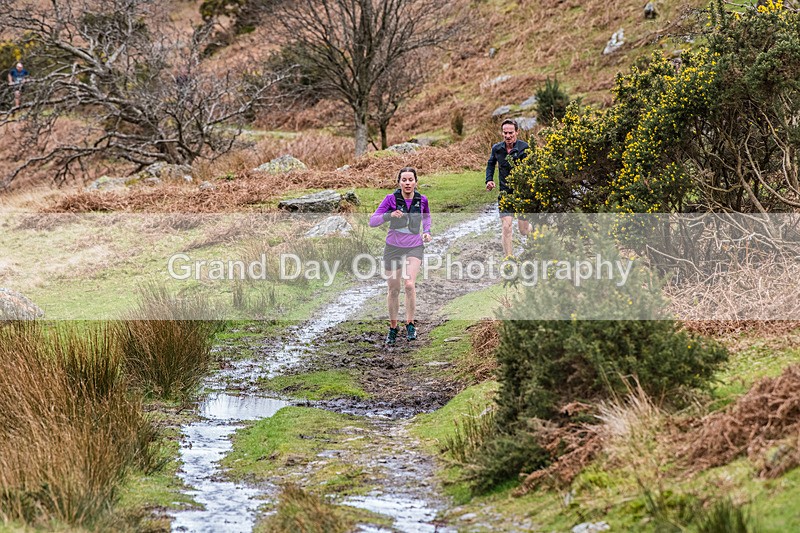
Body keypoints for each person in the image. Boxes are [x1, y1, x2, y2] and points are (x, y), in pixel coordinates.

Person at [369, 166, 432, 345]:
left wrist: (426, 231)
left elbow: (426, 217)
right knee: (394, 289)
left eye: (410, 180)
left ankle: (410, 324)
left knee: (409, 285)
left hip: (414, 246)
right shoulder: (390, 199)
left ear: (415, 182)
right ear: (399, 182)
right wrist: (389, 215)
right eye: (404, 180)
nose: (407, 183)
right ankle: (393, 326)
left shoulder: (422, 199)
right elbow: (372, 221)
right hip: (393, 247)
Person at [485, 118, 531, 257]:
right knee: (506, 227)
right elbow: (491, 164)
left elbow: (531, 168)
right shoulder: (497, 149)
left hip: (522, 193)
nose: (508, 136)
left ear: (517, 132)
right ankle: (509, 259)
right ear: (502, 133)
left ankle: (536, 236)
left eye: (511, 132)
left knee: (523, 230)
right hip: (505, 193)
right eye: (505, 133)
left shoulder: (525, 148)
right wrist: (489, 180)